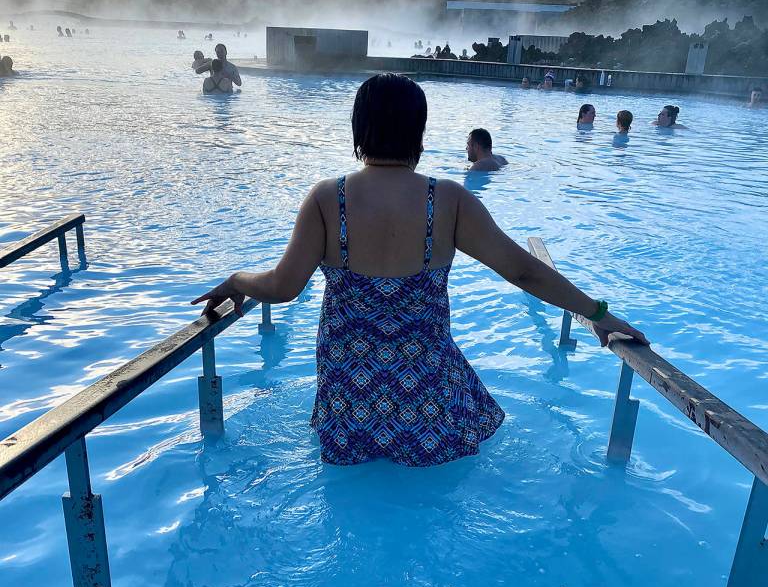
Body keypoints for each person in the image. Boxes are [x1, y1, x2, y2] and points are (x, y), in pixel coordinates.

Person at [192, 74, 647, 467]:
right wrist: (597, 314)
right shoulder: (447, 201)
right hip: (426, 390)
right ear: (419, 130)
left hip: (349, 391)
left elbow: (282, 286)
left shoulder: (328, 200)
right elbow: (525, 273)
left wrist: (236, 280)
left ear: (359, 128)